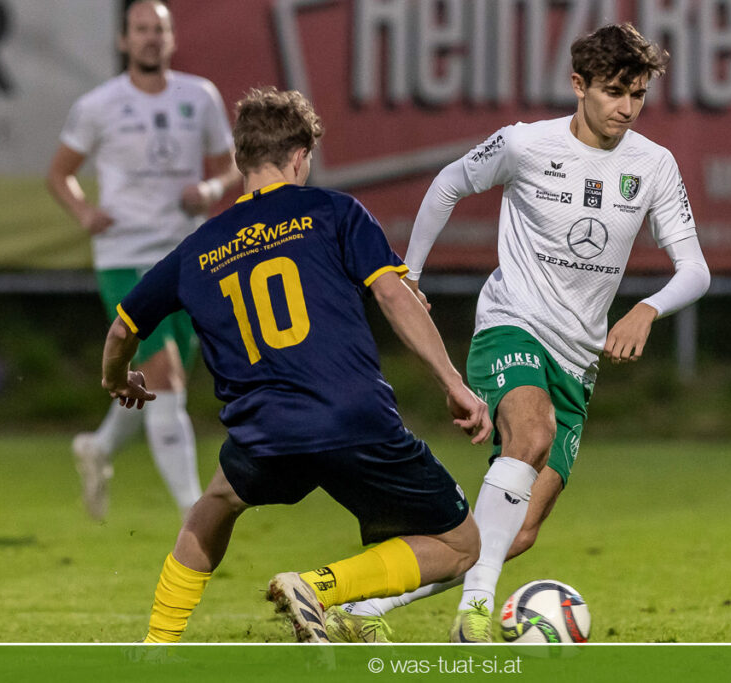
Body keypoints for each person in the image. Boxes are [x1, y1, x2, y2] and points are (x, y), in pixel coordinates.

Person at [329, 23, 711, 643]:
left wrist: (648, 309)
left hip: (578, 359)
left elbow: (694, 269)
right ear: (578, 85)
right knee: (532, 434)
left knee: (517, 530)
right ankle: (474, 615)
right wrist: (411, 272)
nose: (627, 108)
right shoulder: (524, 144)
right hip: (512, 325)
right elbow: (448, 184)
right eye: (614, 91)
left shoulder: (654, 165)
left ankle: (361, 608)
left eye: (638, 94)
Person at [101, 85, 491, 643]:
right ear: (301, 157)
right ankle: (319, 587)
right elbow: (393, 295)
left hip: (265, 430)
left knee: (216, 503)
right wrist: (453, 383)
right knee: (460, 544)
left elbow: (122, 329)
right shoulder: (333, 212)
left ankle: (158, 645)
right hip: (351, 416)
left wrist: (118, 379)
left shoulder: (197, 250)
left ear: (240, 160)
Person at [46, 0, 240, 520]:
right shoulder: (99, 104)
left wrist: (209, 189)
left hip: (187, 256)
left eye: (159, 29)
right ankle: (193, 513)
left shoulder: (199, 96)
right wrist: (84, 212)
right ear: (124, 40)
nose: (151, 37)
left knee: (158, 383)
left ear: (172, 38)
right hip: (124, 256)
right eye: (141, 29)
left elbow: (231, 167)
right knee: (165, 375)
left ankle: (100, 447)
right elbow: (60, 173)